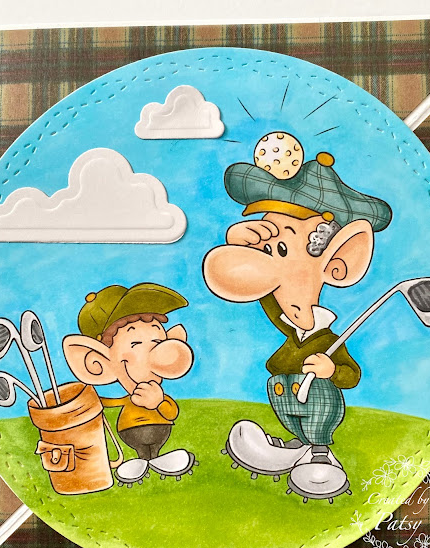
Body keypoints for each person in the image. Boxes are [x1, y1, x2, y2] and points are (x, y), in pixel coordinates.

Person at [203, 135, 392, 502]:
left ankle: (319, 453)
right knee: (292, 410)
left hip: (316, 395)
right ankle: (298, 447)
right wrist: (241, 243)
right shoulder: (287, 321)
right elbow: (264, 290)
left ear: (339, 261)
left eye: (280, 248)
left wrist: (330, 370)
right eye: (266, 247)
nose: (265, 259)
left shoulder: (328, 339)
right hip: (284, 391)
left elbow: (350, 375)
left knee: (319, 411)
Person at [62, 282, 195, 485]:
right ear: (98, 362)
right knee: (142, 452)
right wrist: (92, 399)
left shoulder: (159, 395)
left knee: (154, 451)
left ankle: (156, 460)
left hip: (159, 428)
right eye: (135, 344)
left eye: (157, 342)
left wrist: (159, 402)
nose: (152, 352)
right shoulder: (127, 396)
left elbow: (171, 413)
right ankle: (142, 461)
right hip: (130, 431)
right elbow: (112, 402)